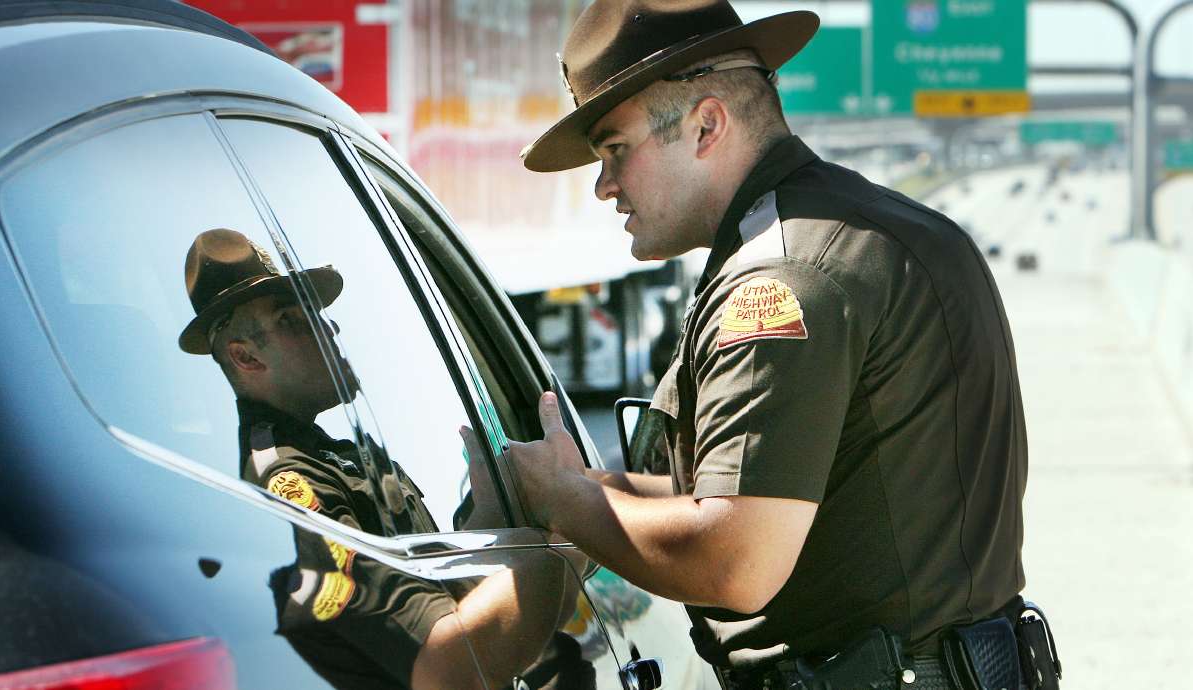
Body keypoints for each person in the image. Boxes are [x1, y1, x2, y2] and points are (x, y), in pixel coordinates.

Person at [508, 2, 1045, 688]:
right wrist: (599, 486)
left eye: (616, 150)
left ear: (706, 125)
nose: (604, 185)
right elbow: (800, 491)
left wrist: (566, 503)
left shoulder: (781, 283)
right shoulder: (884, 227)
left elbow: (735, 560)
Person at [179, 228, 592, 690]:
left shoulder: (333, 454)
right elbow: (448, 658)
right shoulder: (291, 481)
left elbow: (439, 589)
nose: (329, 327)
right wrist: (565, 530)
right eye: (294, 319)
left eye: (316, 312)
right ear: (246, 357)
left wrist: (495, 509)